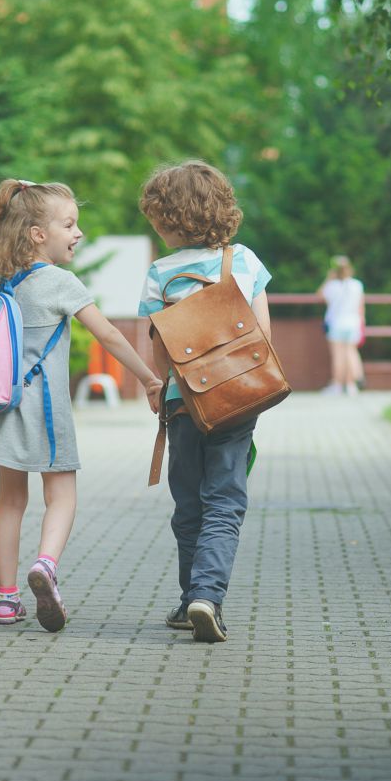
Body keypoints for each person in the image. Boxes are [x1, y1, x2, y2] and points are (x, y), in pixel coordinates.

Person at [0, 179, 163, 631]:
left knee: (9, 501)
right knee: (61, 495)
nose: (78, 232)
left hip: (3, 407)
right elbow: (110, 334)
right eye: (69, 224)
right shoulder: (59, 281)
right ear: (38, 234)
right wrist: (149, 378)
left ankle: (6, 601)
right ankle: (45, 565)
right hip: (46, 410)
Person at [136, 160, 273, 644]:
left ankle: (189, 596)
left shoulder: (158, 274)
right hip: (237, 397)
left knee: (189, 502)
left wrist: (158, 386)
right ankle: (206, 597)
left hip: (182, 403)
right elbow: (263, 334)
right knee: (225, 501)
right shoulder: (245, 262)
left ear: (169, 220)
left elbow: (157, 343)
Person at [317, 255, 365, 396]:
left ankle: (337, 385)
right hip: (353, 322)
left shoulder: (331, 286)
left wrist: (328, 278)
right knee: (350, 353)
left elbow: (319, 295)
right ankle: (351, 386)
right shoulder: (357, 285)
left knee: (338, 355)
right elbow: (361, 306)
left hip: (337, 323)